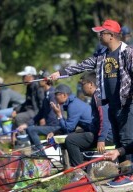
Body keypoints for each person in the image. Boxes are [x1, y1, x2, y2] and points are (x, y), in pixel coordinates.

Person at [50, 19, 133, 187]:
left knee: (127, 139)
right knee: (118, 140)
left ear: (111, 35)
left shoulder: (128, 53)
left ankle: (130, 175)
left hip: (127, 104)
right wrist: (60, 73)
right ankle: (124, 173)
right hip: (111, 104)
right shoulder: (102, 55)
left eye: (102, 32)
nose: (99, 35)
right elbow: (82, 66)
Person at [18, 84, 92, 152]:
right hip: (61, 127)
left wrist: (58, 115)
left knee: (32, 130)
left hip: (91, 133)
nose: (55, 97)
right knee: (33, 129)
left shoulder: (72, 105)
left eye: (57, 95)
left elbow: (68, 129)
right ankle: (46, 151)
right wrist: (55, 132)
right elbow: (71, 127)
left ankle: (42, 153)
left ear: (64, 95)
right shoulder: (70, 103)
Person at [65, 71, 114, 167]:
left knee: (70, 140)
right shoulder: (95, 96)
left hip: (107, 136)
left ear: (91, 84)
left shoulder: (98, 97)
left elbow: (105, 119)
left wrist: (101, 139)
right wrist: (85, 129)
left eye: (82, 84)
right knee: (75, 135)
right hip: (102, 134)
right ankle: (84, 165)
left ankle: (79, 171)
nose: (81, 87)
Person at [16, 71, 60, 152]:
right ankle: (50, 150)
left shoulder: (52, 94)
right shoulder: (46, 93)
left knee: (31, 130)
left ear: (45, 81)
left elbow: (54, 112)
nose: (37, 81)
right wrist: (26, 124)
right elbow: (40, 113)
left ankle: (41, 152)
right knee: (30, 128)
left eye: (39, 79)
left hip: (56, 126)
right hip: (50, 125)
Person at [11, 66, 45, 148]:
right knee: (15, 115)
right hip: (30, 110)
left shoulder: (37, 86)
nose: (22, 79)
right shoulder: (29, 86)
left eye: (24, 76)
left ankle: (25, 141)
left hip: (36, 112)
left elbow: (42, 102)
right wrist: (16, 110)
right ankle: (16, 139)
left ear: (30, 76)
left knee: (19, 118)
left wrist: (42, 117)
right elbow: (27, 102)